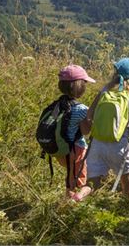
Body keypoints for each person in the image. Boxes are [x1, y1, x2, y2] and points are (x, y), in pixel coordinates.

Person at [81, 57, 129, 201]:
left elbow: (89, 115)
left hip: (97, 144)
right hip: (119, 146)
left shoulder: (104, 92)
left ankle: (79, 197)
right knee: (127, 179)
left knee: (92, 182)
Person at [55, 64, 96, 202]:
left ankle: (68, 202)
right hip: (76, 149)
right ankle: (73, 207)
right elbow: (88, 130)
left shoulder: (57, 105)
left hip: (60, 149)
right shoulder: (81, 109)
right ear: (80, 87)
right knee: (82, 183)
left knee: (71, 179)